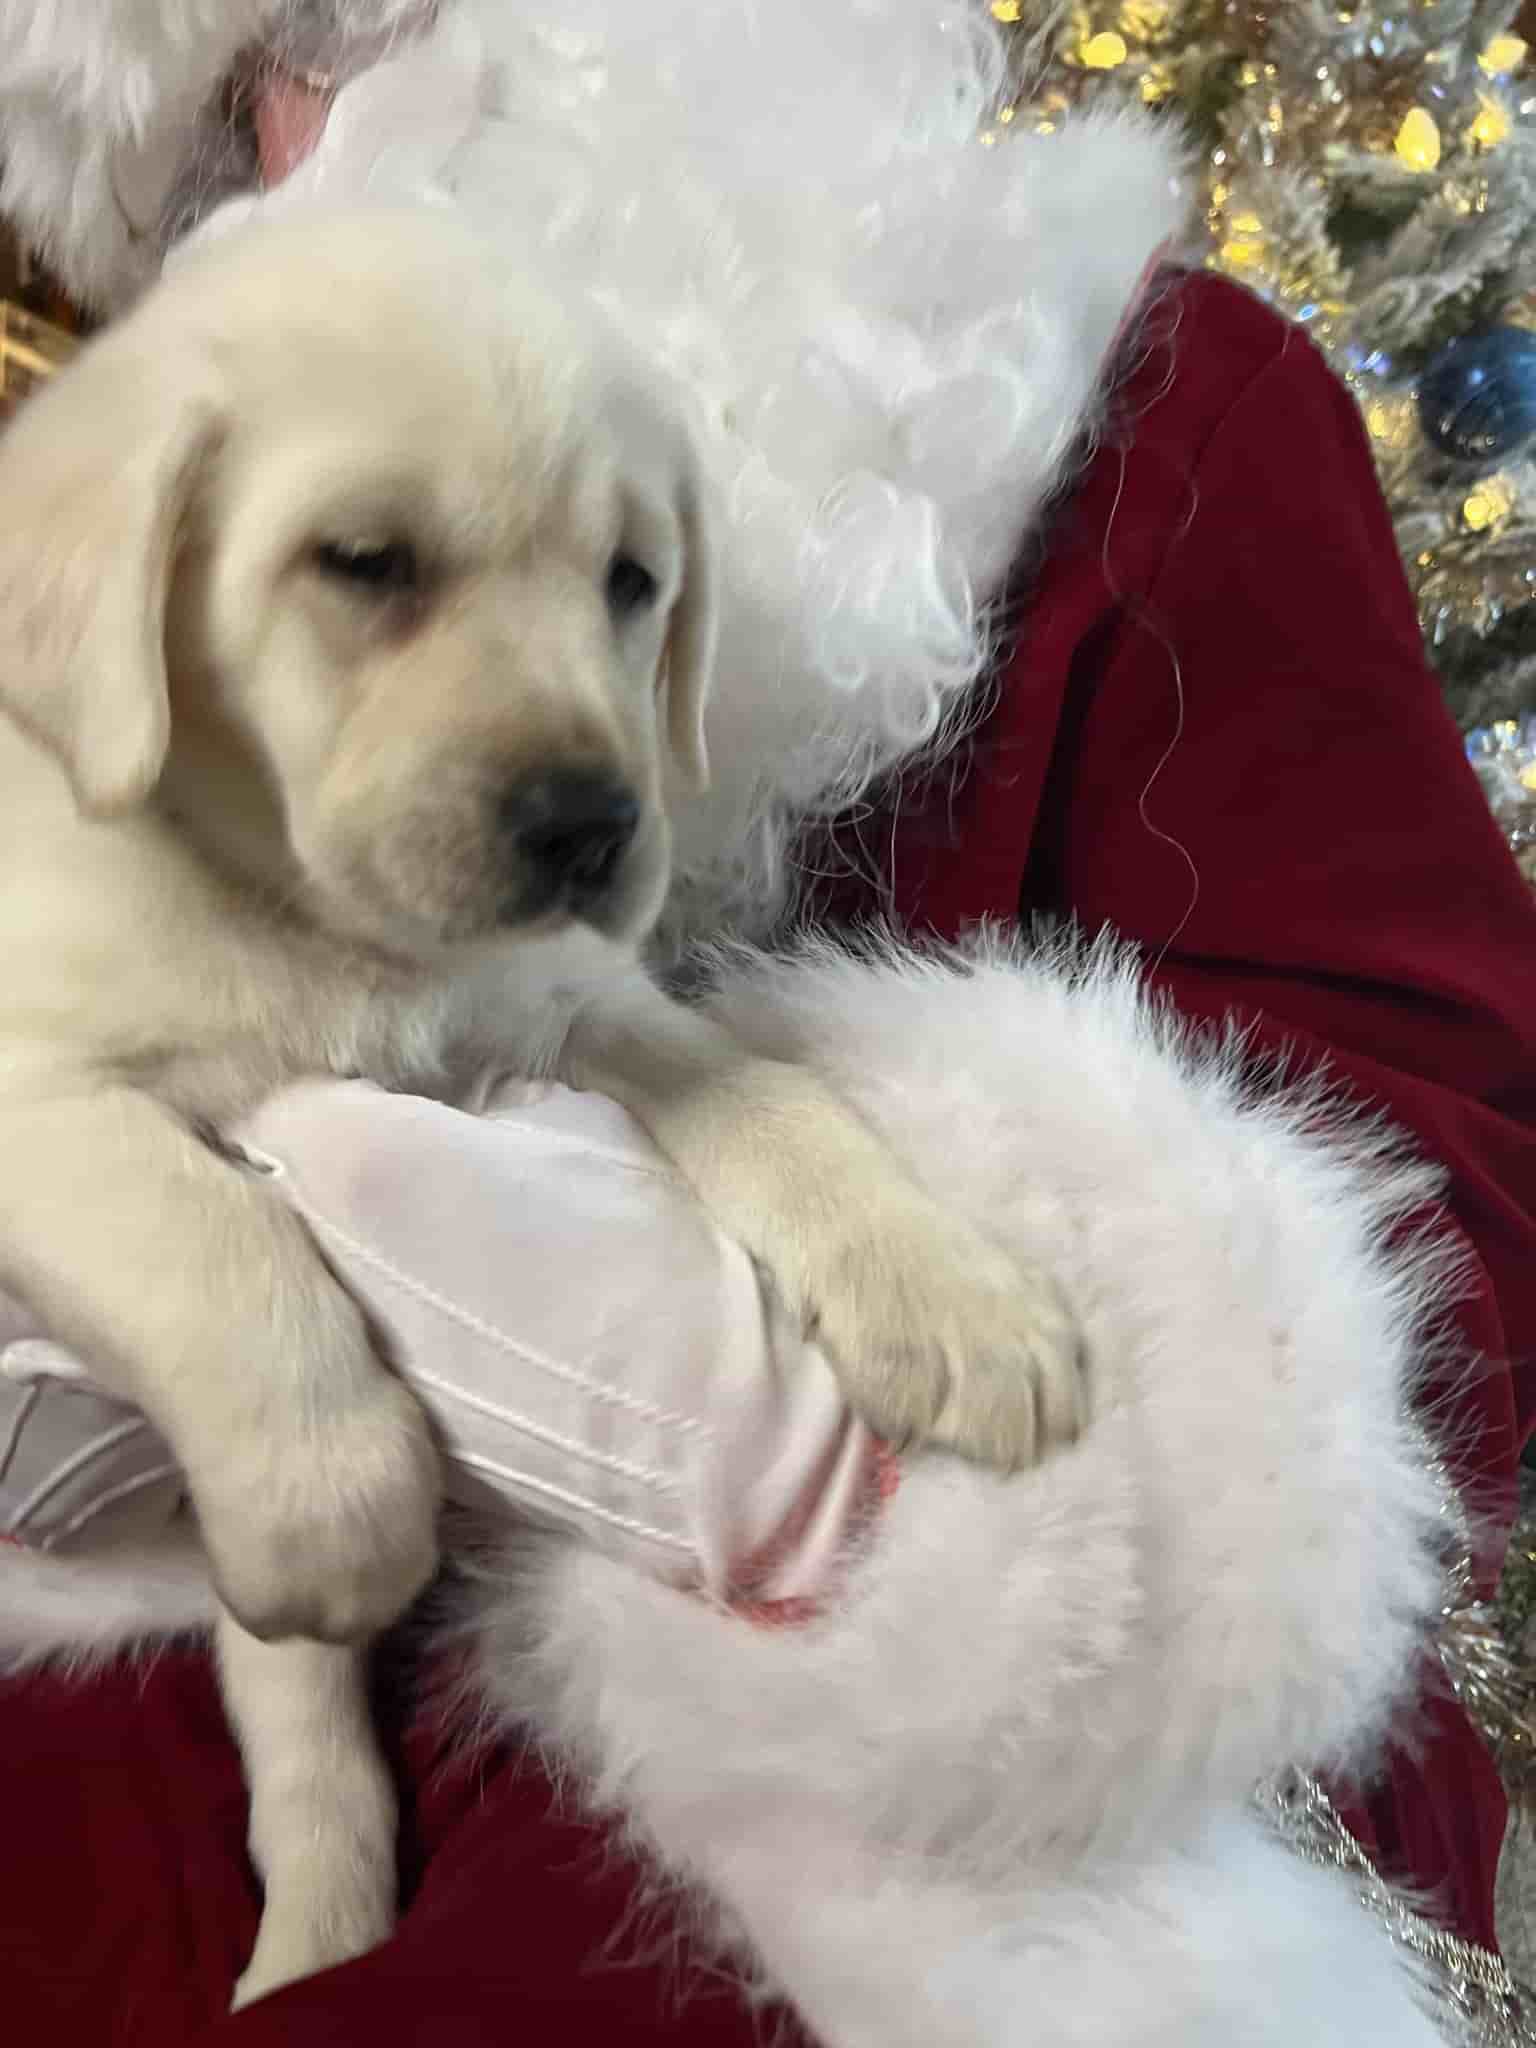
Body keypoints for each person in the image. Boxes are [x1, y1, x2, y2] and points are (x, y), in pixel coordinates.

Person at [1, 3, 1534, 2040]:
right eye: (222, 143)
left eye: (371, 41)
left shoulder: (1165, 405)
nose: (306, 172)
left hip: (899, 1851)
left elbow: (1441, 1196)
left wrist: (818, 1445)